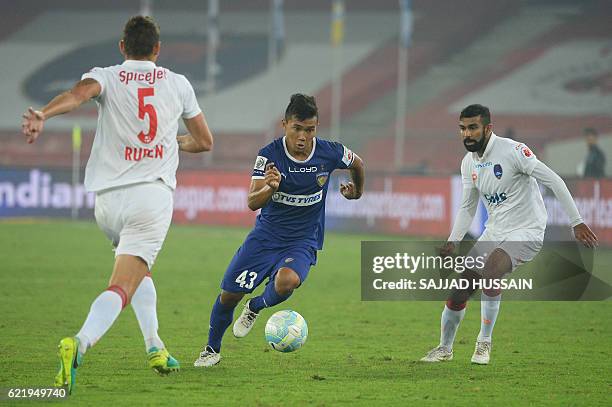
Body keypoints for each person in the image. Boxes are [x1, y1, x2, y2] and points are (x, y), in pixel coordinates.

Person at [20, 16, 213, 394]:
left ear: (122, 48)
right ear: (157, 49)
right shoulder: (178, 83)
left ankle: (155, 346)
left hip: (106, 203)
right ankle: (80, 342)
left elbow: (76, 95)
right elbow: (204, 141)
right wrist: (171, 143)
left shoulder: (105, 76)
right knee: (122, 285)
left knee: (138, 268)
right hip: (149, 198)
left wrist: (43, 113)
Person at [193, 94, 364, 367]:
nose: (303, 137)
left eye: (310, 130)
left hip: (303, 240)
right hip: (266, 238)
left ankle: (255, 307)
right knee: (230, 295)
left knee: (287, 281)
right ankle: (211, 350)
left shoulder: (329, 152)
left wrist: (357, 192)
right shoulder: (269, 155)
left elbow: (357, 163)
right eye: (297, 128)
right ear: (285, 124)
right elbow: (252, 202)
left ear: (316, 128)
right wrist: (269, 188)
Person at [420, 104, 597, 365]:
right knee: (460, 289)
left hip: (527, 230)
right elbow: (468, 206)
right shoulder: (468, 162)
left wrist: (577, 221)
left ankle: (484, 343)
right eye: (462, 128)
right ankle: (444, 349)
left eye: (472, 128)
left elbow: (554, 180)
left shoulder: (514, 151)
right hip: (495, 231)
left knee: (492, 269)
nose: (466, 134)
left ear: (488, 128)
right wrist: (453, 240)